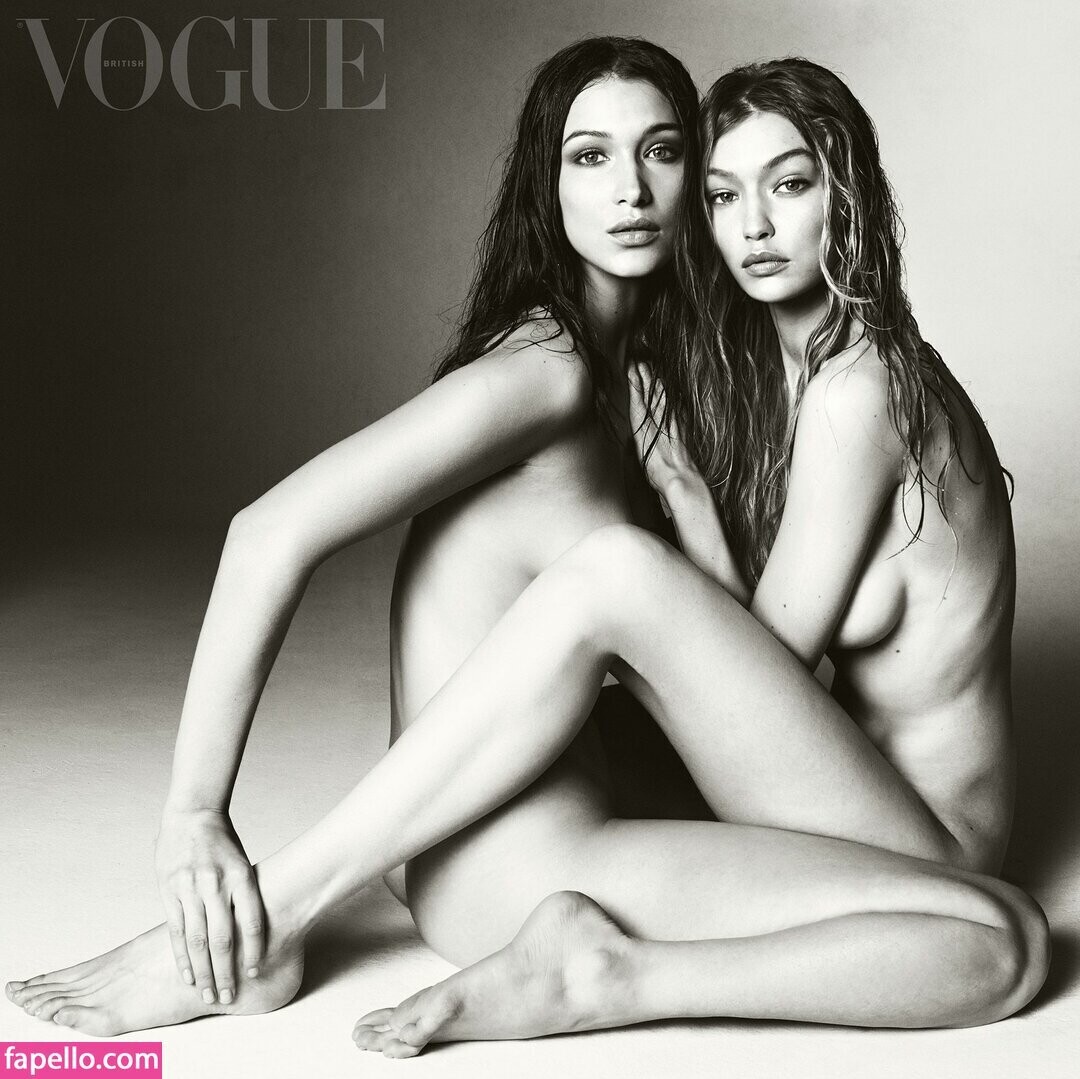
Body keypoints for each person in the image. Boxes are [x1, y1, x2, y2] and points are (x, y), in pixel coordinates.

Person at [6, 42, 1046, 1050]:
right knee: (618, 580)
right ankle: (269, 915)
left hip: (541, 845)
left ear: (846, 195)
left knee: (623, 588)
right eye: (592, 157)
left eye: (665, 155)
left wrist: (684, 496)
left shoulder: (748, 381)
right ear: (546, 188)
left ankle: (464, 935)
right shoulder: (554, 368)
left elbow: (749, 682)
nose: (635, 192)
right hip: (522, 860)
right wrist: (194, 814)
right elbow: (268, 530)